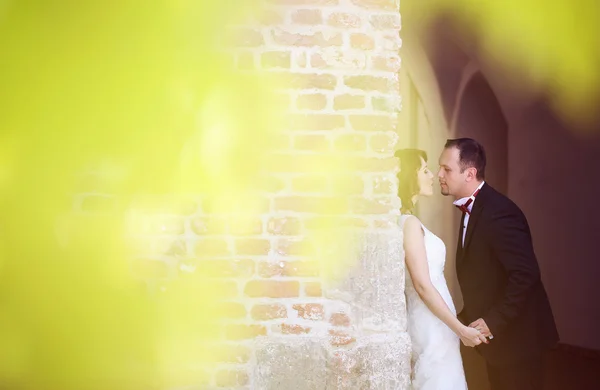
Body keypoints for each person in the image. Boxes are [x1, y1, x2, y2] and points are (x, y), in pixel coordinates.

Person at [438, 138, 559, 390]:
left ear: (469, 173)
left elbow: (525, 275)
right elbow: (482, 276)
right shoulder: (475, 208)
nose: (440, 174)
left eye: (446, 169)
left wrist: (492, 321)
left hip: (519, 341)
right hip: (500, 345)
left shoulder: (499, 211)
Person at [396, 148, 486, 390]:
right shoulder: (409, 224)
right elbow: (423, 285)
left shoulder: (409, 221)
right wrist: (459, 328)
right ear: (409, 176)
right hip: (430, 325)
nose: (433, 175)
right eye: (424, 170)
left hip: (438, 323)